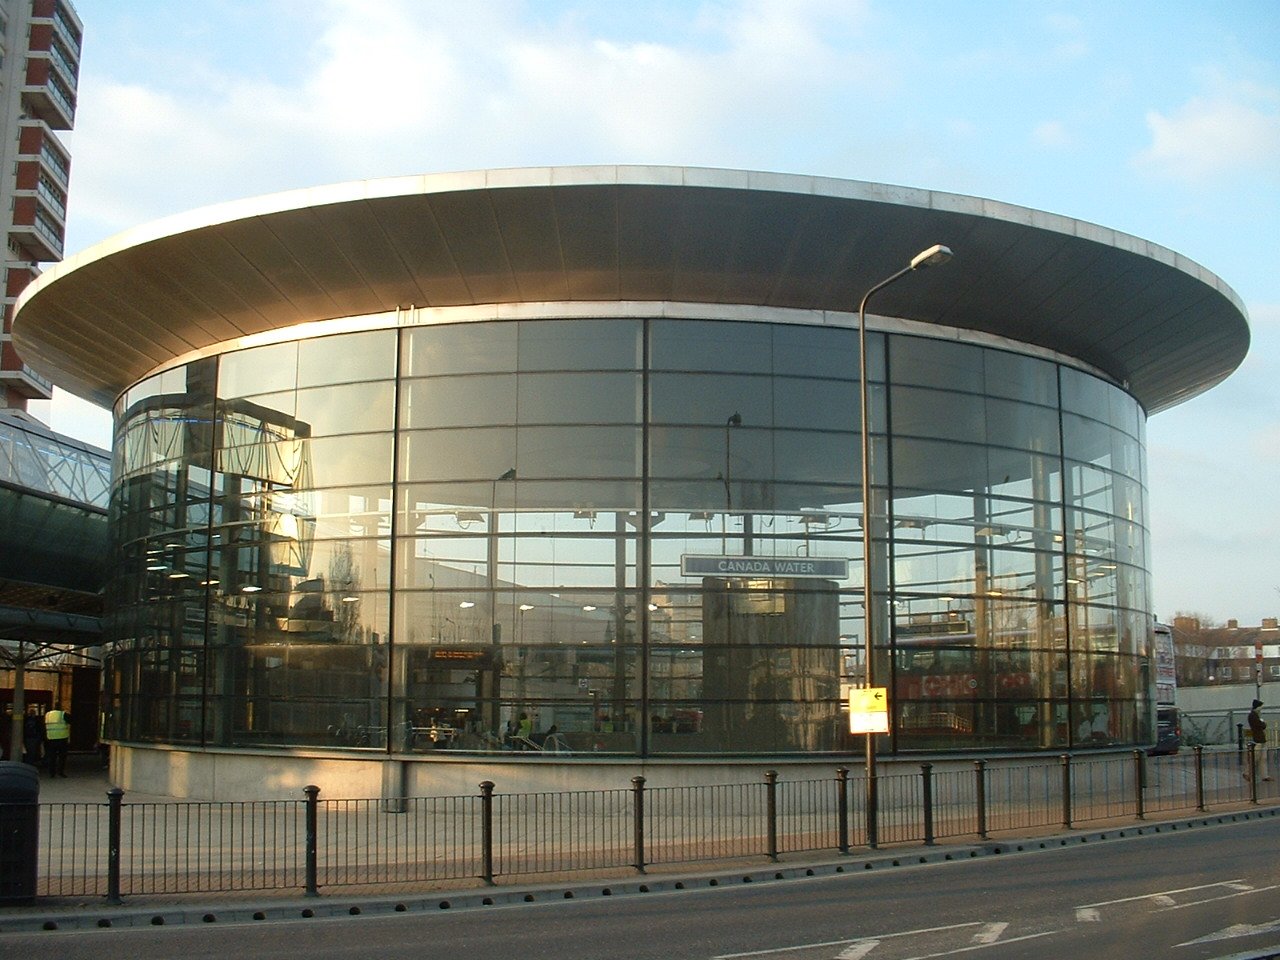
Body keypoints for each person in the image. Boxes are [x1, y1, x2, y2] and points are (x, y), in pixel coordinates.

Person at [44, 702, 71, 777]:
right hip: (62, 739)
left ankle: (52, 773)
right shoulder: (63, 714)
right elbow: (71, 721)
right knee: (62, 757)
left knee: (52, 756)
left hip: (50, 738)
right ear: (60, 707)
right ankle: (60, 772)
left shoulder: (48, 714)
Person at [1246, 698, 1270, 781]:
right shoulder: (1253, 716)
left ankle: (1264, 775)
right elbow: (1261, 725)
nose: (1261, 708)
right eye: (1260, 706)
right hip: (1258, 740)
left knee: (1263, 758)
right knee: (1255, 758)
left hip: (1261, 739)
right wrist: (1263, 723)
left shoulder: (1255, 715)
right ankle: (1248, 773)